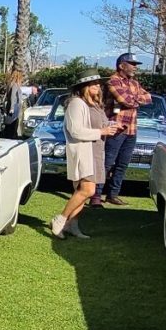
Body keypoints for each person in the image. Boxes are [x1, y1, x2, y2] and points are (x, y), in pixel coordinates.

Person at [51, 69, 120, 239]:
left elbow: (100, 124)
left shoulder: (95, 105)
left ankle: (71, 225)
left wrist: (111, 127)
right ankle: (60, 219)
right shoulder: (77, 103)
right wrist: (102, 131)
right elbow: (76, 131)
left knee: (82, 190)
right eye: (93, 84)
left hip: (96, 151)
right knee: (88, 190)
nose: (98, 86)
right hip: (83, 151)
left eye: (98, 83)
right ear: (84, 87)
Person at [94, 53, 151, 207]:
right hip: (115, 128)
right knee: (107, 163)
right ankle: (96, 196)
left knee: (122, 164)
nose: (135, 67)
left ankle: (113, 195)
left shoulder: (134, 83)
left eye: (135, 64)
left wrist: (134, 100)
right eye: (132, 64)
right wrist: (136, 99)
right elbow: (124, 101)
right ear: (121, 65)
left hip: (131, 130)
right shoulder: (113, 81)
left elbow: (148, 97)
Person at [2, 70, 24, 139]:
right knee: (13, 124)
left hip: (13, 106)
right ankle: (12, 137)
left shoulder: (11, 84)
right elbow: (13, 96)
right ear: (18, 77)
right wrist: (12, 108)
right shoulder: (15, 85)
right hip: (14, 107)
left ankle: (11, 136)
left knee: (10, 125)